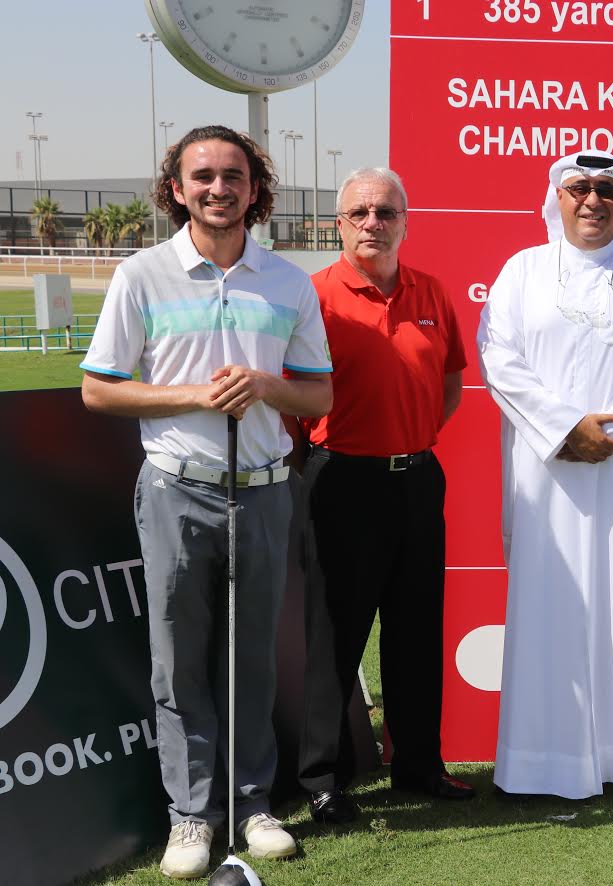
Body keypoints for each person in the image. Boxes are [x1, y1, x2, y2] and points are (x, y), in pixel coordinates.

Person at [80, 125, 333, 879]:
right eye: (202, 176)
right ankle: (191, 816)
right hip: (176, 489)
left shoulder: (287, 282)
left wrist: (263, 386)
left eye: (234, 175)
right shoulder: (141, 275)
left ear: (256, 189)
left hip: (263, 490)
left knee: (251, 659)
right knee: (179, 664)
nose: (218, 188)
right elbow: (98, 388)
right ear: (177, 188)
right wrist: (195, 394)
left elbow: (318, 391)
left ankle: (253, 803)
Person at [476, 149, 613, 801]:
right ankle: (536, 764)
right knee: (546, 612)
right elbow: (499, 359)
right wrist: (563, 430)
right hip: (547, 476)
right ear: (557, 197)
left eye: (607, 190)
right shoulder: (521, 271)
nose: (592, 200)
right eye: (578, 188)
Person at [294, 168, 474, 825]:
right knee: (336, 634)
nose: (374, 223)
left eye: (386, 212)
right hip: (341, 480)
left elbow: (448, 384)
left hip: (417, 479)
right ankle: (323, 778)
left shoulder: (431, 291)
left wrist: (411, 441)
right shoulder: (313, 296)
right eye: (360, 213)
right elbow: (293, 402)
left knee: (416, 630)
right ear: (338, 225)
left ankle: (418, 764)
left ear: (405, 220)